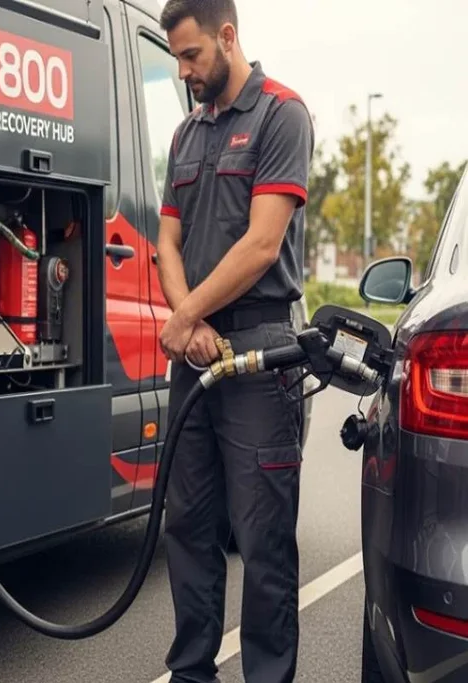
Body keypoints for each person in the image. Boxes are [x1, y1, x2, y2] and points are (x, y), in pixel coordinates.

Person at [154, 1, 314, 682]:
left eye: (192, 55)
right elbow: (167, 238)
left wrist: (184, 314)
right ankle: (193, 673)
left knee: (263, 542)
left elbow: (261, 243)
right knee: (187, 530)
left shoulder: (282, 114)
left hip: (261, 355)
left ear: (227, 36)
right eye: (177, 59)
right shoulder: (186, 134)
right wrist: (189, 324)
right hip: (198, 359)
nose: (185, 71)